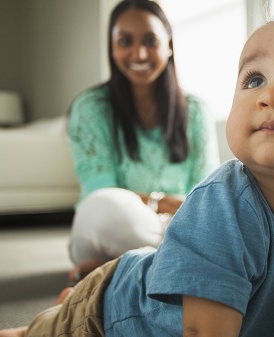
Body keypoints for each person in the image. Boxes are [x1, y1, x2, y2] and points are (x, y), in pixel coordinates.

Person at [0, 1, 274, 336]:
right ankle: (65, 305)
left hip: (170, 234)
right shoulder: (224, 205)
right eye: (254, 79)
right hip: (110, 313)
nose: (270, 95)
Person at [65, 0, 219, 284]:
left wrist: (176, 214)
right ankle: (170, 266)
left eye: (150, 40)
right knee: (105, 207)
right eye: (125, 41)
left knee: (220, 220)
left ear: (169, 45)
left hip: (179, 227)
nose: (139, 53)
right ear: (112, 48)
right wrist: (161, 202)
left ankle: (115, 272)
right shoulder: (91, 107)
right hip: (110, 227)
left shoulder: (196, 111)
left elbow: (205, 196)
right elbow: (101, 191)